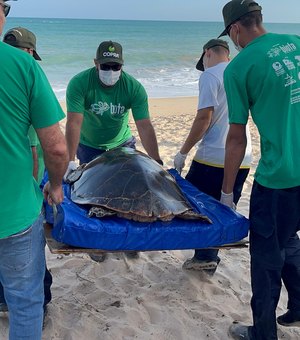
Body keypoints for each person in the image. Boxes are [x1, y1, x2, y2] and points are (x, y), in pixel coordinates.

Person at [218, 1, 300, 339]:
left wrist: (226, 194)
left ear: (235, 29)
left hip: (279, 177)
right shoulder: (296, 42)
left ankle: (263, 332)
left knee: (266, 256)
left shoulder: (238, 68)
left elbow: (236, 138)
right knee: (288, 239)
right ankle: (298, 308)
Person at [0, 1, 68, 339]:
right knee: (25, 303)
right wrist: (55, 186)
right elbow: (55, 146)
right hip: (12, 213)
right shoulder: (23, 66)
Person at [65, 40, 163, 261]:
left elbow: (144, 125)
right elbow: (73, 123)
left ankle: (130, 242)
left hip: (122, 145)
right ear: (95, 63)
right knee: (92, 196)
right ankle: (97, 245)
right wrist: (70, 160)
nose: (110, 71)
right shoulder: (80, 83)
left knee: (132, 194)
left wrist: (156, 160)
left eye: (115, 67)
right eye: (105, 66)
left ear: (122, 65)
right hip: (89, 146)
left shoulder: (133, 87)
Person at [174, 38, 252, 275]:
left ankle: (204, 257)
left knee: (195, 204)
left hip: (213, 157)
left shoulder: (210, 76)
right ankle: (208, 256)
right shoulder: (241, 72)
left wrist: (183, 151)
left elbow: (203, 118)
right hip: (244, 156)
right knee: (223, 206)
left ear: (207, 54)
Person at [0, 26, 53, 315]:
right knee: (29, 269)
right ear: (31, 52)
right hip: (19, 199)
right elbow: (39, 148)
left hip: (17, 193)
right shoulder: (26, 73)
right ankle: (39, 303)